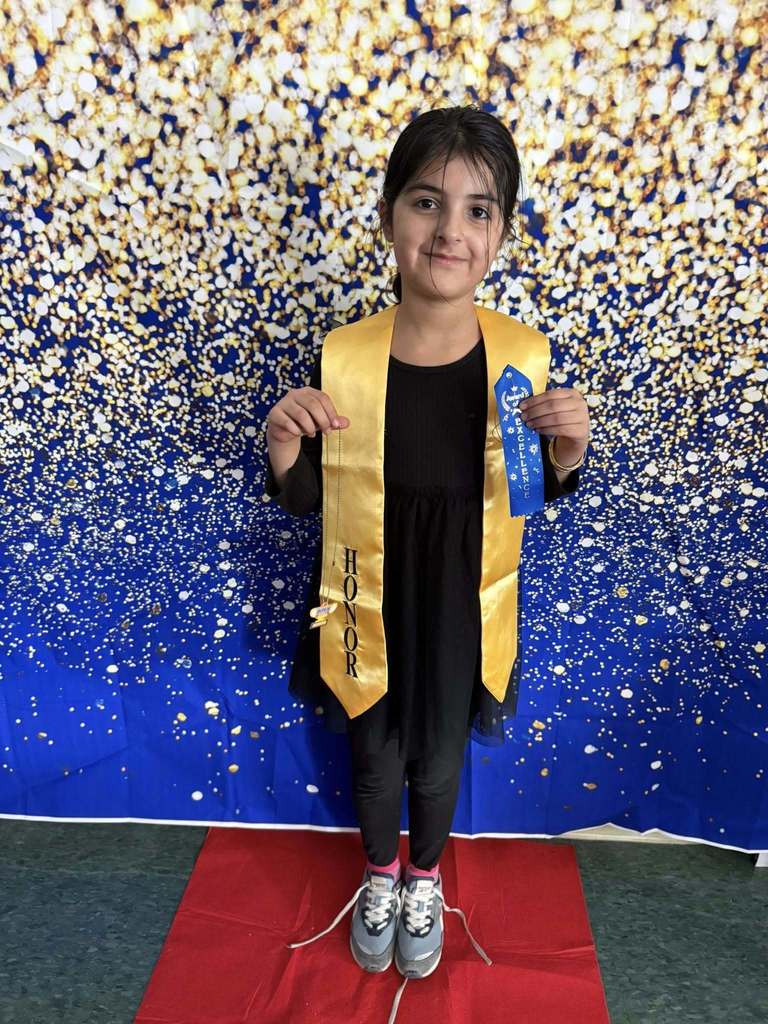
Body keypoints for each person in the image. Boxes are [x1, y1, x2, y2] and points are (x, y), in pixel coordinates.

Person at [264, 106, 590, 1019]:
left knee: (438, 759)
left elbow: (530, 494)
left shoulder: (521, 360)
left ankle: (425, 881)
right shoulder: (346, 356)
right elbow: (314, 497)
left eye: (478, 210)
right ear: (387, 217)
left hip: (461, 600)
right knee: (374, 754)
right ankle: (379, 873)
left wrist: (566, 457)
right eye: (425, 202)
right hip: (364, 592)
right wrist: (284, 449)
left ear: (502, 232)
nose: (450, 230)